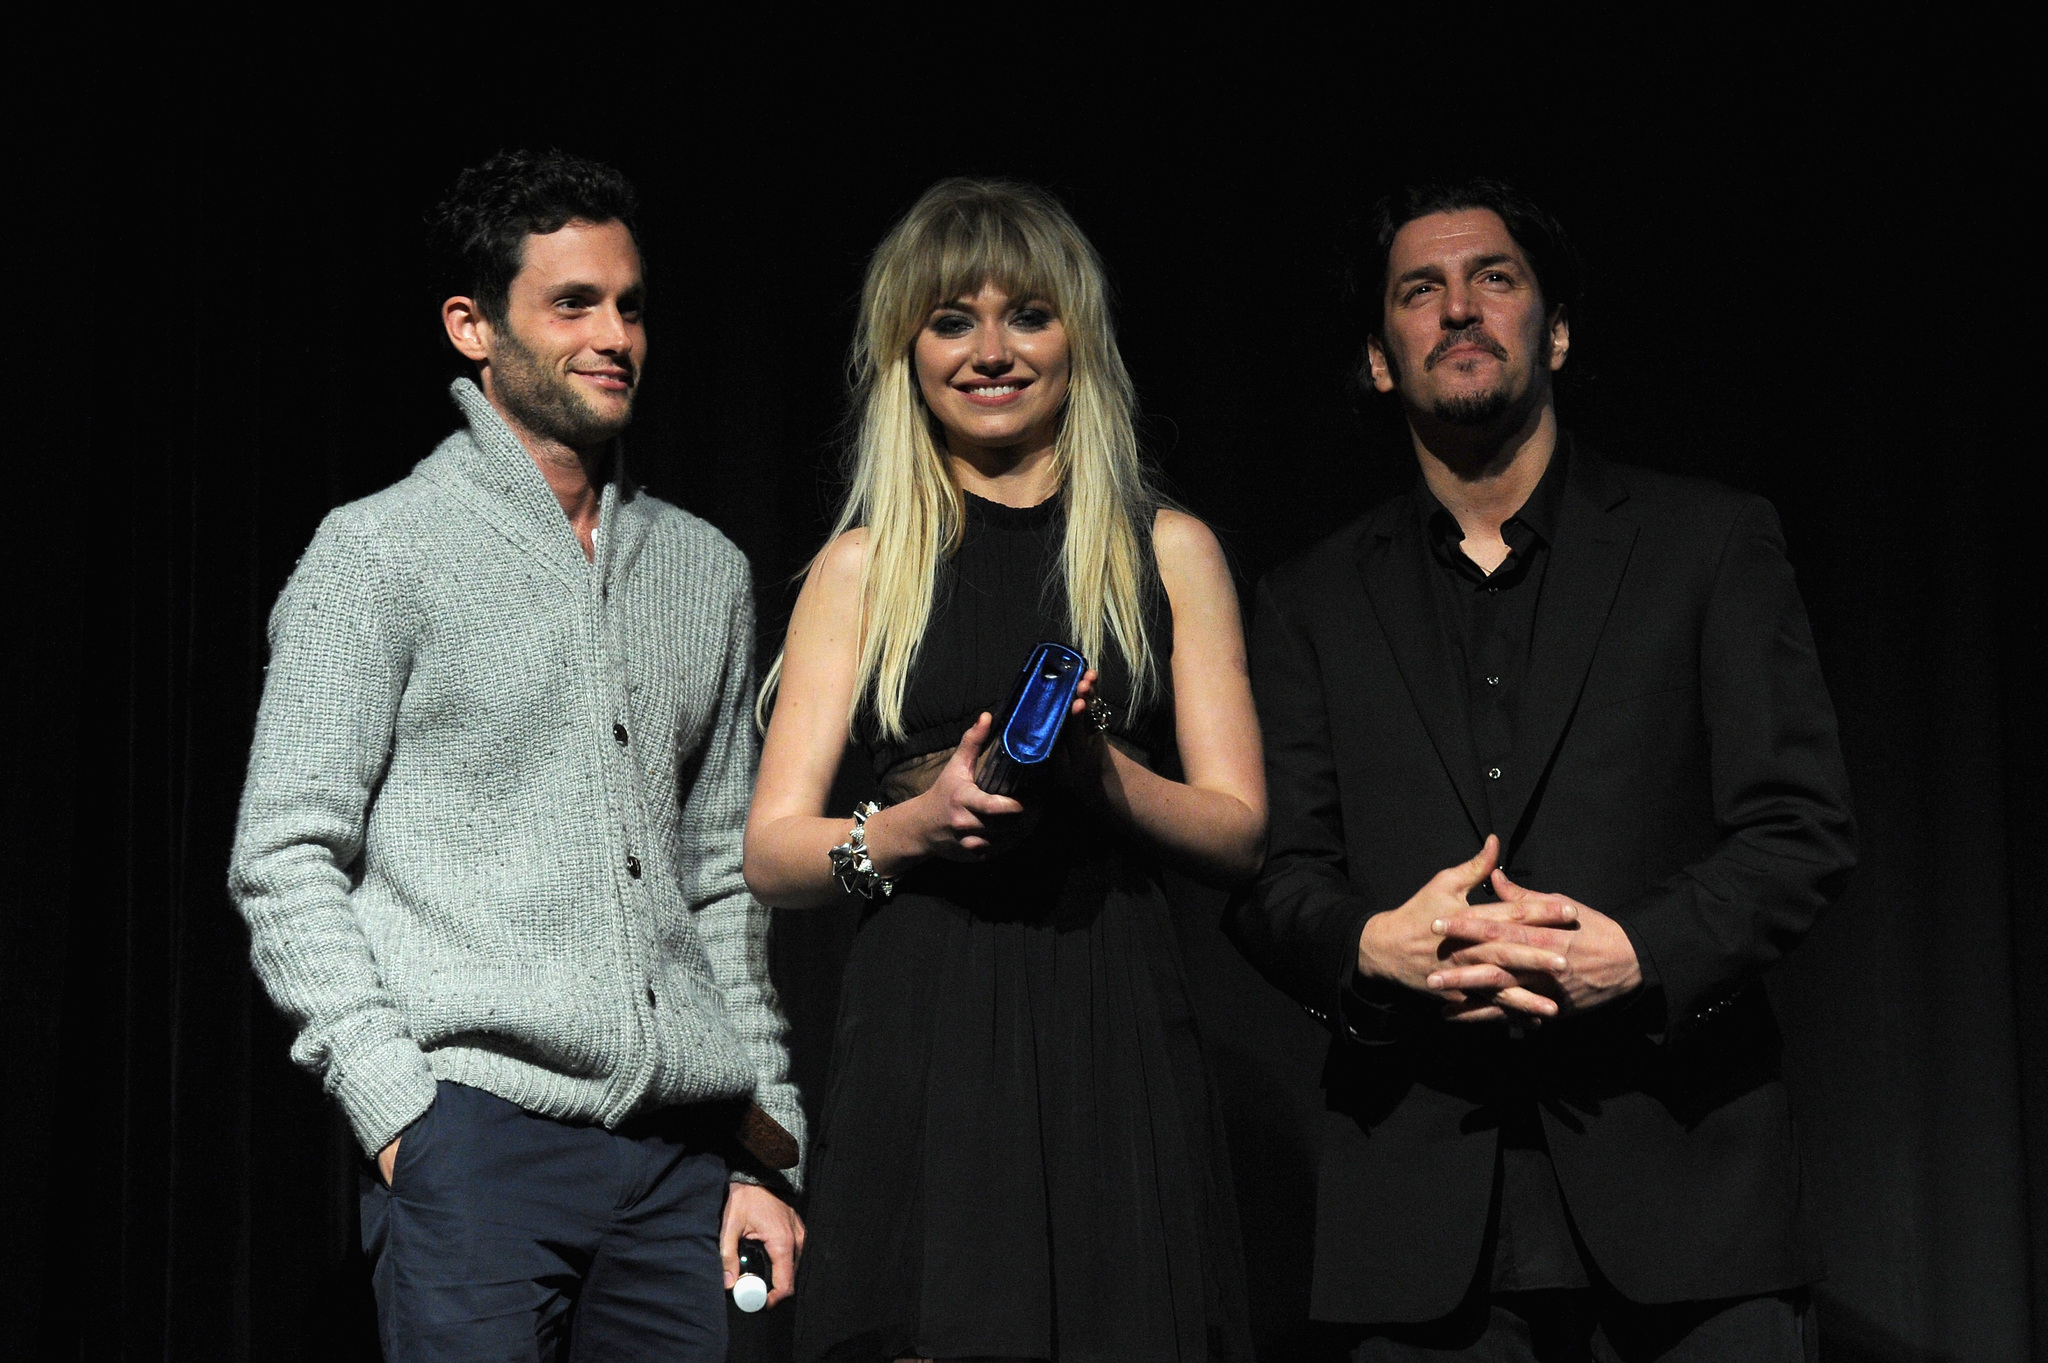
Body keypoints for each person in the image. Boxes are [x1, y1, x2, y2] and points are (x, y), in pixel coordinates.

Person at [1226, 179, 1856, 1361]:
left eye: (1494, 279)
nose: (1458, 309)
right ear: (1377, 358)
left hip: (1689, 1198)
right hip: (1417, 1222)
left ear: (1553, 330)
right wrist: (1370, 948)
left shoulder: (1708, 544)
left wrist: (1643, 953)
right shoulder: (1305, 602)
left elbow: (1800, 826)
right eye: (1420, 291)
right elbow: (1271, 879)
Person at [227, 149, 804, 1361]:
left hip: (682, 1166)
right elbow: (284, 856)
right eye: (573, 303)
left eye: (630, 304)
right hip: (477, 1141)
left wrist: (769, 1147)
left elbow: (721, 883)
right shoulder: (376, 552)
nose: (613, 334)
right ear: (472, 327)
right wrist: (400, 1116)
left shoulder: (705, 570)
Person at [744, 178, 1262, 1363]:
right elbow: (772, 851)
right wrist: (909, 827)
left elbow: (1238, 830)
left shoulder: (1168, 550)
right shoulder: (860, 569)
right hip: (924, 1029)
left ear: (1076, 336)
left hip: (1112, 1016)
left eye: (1025, 314)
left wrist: (1095, 772)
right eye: (950, 321)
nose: (991, 351)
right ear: (905, 354)